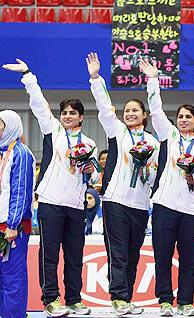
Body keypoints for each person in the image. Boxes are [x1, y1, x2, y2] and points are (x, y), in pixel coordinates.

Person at [3, 59, 98, 317]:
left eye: (72, 113)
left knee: (75, 255)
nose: (67, 116)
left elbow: (94, 172)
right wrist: (27, 75)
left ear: (81, 117)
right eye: (64, 112)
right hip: (50, 202)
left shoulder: (89, 143)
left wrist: (92, 169)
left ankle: (75, 299)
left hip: (76, 205)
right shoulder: (53, 130)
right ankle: (51, 300)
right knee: (50, 254)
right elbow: (38, 102)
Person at [86, 53, 160, 315]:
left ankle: (126, 296)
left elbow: (154, 178)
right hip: (115, 201)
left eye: (134, 111)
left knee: (132, 253)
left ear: (144, 115)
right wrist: (96, 78)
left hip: (140, 205)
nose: (129, 113)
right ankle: (118, 297)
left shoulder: (154, 143)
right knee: (117, 252)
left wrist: (146, 168)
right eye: (127, 111)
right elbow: (105, 107)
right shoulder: (117, 132)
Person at [140, 60, 194, 317]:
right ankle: (163, 301)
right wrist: (153, 79)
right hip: (164, 206)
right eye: (180, 116)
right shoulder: (168, 136)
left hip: (191, 209)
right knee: (162, 256)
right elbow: (156, 109)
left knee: (188, 259)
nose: (183, 120)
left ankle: (185, 301)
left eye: (188, 117)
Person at [0, 110, 35, 318]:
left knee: (11, 275)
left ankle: (13, 315)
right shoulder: (1, 152)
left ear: (11, 126)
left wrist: (13, 224)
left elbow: (20, 192)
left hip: (12, 227)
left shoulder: (21, 154)